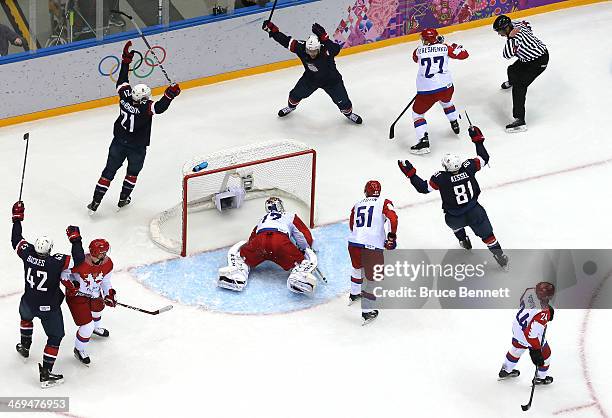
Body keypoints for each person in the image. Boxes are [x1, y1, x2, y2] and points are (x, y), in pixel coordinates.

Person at [87, 41, 181, 213]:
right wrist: (170, 94)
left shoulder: (124, 97)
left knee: (108, 172)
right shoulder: (146, 108)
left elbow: (122, 81)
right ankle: (123, 199)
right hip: (137, 147)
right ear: (144, 97)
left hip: (118, 142)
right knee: (132, 174)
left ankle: (95, 202)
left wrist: (125, 61)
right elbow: (159, 108)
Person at [397, 125, 509, 269]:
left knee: (456, 226)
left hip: (454, 216)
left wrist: (411, 174)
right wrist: (477, 140)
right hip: (475, 211)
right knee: (488, 237)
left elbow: (423, 188)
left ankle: (463, 240)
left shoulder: (441, 178)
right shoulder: (468, 167)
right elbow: (484, 158)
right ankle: (500, 257)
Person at [11, 201, 85, 388]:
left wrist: (17, 219)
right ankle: (46, 373)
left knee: (26, 319)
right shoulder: (56, 262)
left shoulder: (27, 254)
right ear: (50, 249)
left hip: (27, 302)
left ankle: (25, 347)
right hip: (49, 308)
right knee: (55, 337)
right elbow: (79, 261)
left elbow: (16, 240)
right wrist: (76, 240)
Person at [263, 20, 363, 124]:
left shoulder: (326, 50)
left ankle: (349, 114)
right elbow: (285, 41)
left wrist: (325, 38)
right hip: (310, 80)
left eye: (314, 51)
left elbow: (336, 49)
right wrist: (273, 31)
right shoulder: (301, 48)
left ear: (319, 48)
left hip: (332, 81)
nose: (311, 53)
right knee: (294, 95)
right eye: (309, 51)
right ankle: (290, 108)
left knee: (344, 102)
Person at [218, 197, 318, 294]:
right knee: (300, 262)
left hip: (260, 242)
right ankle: (298, 278)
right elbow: (302, 235)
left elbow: (252, 239)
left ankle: (237, 275)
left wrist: (249, 253)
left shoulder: (262, 219)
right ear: (280, 207)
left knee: (242, 258)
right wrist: (305, 249)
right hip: (279, 241)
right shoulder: (289, 216)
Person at [409, 28, 469, 155]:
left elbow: (415, 58)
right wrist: (452, 45)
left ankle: (423, 142)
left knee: (417, 114)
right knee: (446, 102)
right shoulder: (445, 48)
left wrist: (433, 46)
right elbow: (464, 54)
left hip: (427, 92)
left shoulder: (418, 51)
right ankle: (454, 122)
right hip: (446, 88)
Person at [348, 181, 398, 325]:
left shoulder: (357, 204)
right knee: (373, 279)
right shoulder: (384, 202)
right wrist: (391, 237)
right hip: (372, 246)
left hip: (354, 243)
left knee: (357, 268)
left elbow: (352, 225)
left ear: (365, 191)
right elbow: (393, 219)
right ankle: (367, 311)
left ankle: (354, 293)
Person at [493, 15, 549, 133]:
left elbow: (507, 55)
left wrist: (511, 38)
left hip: (538, 62)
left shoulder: (515, 38)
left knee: (519, 87)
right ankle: (512, 81)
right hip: (528, 58)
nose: (499, 34)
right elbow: (527, 24)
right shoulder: (517, 24)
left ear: (506, 29)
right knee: (512, 69)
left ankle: (520, 120)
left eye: (500, 31)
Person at [64, 238, 116, 365]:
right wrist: (71, 285)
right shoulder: (79, 262)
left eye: (105, 252)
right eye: (102, 253)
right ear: (94, 252)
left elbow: (105, 281)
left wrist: (109, 294)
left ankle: (96, 329)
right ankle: (79, 349)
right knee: (87, 326)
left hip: (94, 293)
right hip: (77, 296)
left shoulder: (108, 264)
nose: (104, 255)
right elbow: (63, 273)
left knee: (98, 310)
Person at [498, 282, 555, 385]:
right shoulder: (543, 312)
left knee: (517, 348)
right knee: (546, 354)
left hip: (517, 327)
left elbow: (523, 301)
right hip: (529, 336)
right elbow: (531, 334)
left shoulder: (529, 291)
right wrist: (536, 351)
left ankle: (506, 370)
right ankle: (540, 378)